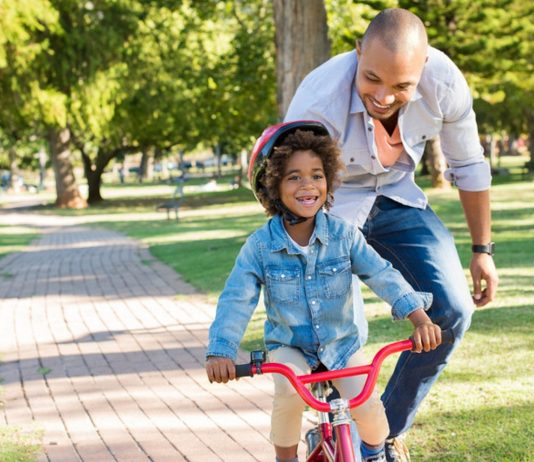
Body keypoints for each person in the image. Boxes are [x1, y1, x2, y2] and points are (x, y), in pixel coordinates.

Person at [284, 8, 499, 462]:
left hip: (398, 196)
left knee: (453, 310)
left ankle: (378, 438)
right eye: (372, 79)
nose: (383, 96)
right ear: (358, 51)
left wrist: (482, 250)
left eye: (401, 86)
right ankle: (333, 425)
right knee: (333, 330)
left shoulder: (444, 83)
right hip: (329, 204)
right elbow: (294, 188)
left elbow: (469, 165)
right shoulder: (317, 101)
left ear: (422, 68)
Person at [205, 121, 443, 462]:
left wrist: (419, 319)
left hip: (341, 344)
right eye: (294, 177)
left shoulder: (344, 235)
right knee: (288, 392)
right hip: (290, 347)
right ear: (271, 186)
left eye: (317, 175)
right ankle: (285, 458)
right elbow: (236, 300)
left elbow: (381, 273)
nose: (308, 185)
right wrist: (221, 352)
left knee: (368, 406)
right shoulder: (260, 247)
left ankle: (375, 453)